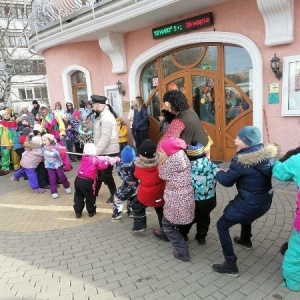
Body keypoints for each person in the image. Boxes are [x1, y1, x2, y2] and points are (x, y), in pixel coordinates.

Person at [212, 126, 278, 277]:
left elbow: (226, 181)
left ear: (247, 142)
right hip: (264, 202)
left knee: (222, 225)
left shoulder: (242, 161)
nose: (235, 140)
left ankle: (230, 264)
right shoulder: (266, 156)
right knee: (243, 211)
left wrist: (218, 171)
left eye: (238, 138)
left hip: (250, 203)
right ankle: (245, 240)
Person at [153, 137, 195, 261]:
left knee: (167, 224)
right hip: (186, 197)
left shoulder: (171, 161)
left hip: (176, 200)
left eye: (163, 151)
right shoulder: (182, 155)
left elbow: (161, 174)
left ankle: (182, 251)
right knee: (176, 221)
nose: (161, 153)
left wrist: (161, 161)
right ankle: (165, 233)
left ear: (169, 151)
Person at [179, 141, 219, 244]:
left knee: (189, 218)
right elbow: (219, 174)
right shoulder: (211, 164)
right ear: (203, 154)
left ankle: (183, 235)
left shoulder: (187, 167)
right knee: (204, 217)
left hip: (195, 201)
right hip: (210, 199)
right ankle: (201, 237)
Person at [272, 146, 300, 291]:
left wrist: (272, 159)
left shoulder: (297, 160)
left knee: (294, 255)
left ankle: (293, 284)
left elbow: (279, 173)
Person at [85, 95, 119, 203]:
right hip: (103, 150)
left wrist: (96, 152)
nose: (92, 107)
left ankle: (114, 194)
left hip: (109, 151)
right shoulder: (100, 116)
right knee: (99, 173)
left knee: (106, 175)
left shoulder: (107, 117)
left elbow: (105, 137)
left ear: (98, 105)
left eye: (93, 105)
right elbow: (97, 131)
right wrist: (88, 123)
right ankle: (95, 192)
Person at [73, 143, 120, 219]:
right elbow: (102, 166)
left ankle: (78, 212)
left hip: (78, 179)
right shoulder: (95, 160)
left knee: (78, 196)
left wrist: (105, 157)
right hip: (88, 182)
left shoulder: (84, 157)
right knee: (90, 197)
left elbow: (98, 158)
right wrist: (110, 161)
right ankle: (91, 211)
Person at [158, 90, 210, 155]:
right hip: (203, 146)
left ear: (168, 105)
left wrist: (158, 153)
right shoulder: (190, 111)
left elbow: (168, 139)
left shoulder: (178, 121)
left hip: (195, 153)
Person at [131, 139, 165, 233]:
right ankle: (165, 229)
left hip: (146, 195)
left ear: (142, 154)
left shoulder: (139, 166)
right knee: (161, 209)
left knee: (136, 205)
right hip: (160, 193)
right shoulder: (162, 162)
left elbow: (136, 175)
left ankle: (139, 226)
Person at [111, 145, 138, 221]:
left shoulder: (121, 166)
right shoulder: (137, 164)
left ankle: (117, 213)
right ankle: (131, 211)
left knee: (118, 196)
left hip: (127, 186)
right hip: (137, 186)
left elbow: (122, 177)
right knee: (133, 197)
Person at [41, 133, 71, 199]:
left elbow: (61, 147)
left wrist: (64, 149)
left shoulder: (55, 145)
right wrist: (59, 152)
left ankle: (67, 186)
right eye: (42, 140)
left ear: (50, 140)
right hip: (50, 166)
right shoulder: (44, 149)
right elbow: (50, 154)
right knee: (52, 178)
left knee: (61, 176)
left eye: (45, 140)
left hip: (58, 164)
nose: (43, 142)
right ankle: (54, 192)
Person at [0, 108, 19, 176]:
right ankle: (5, 168)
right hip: (5, 142)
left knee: (15, 155)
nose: (7, 115)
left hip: (14, 142)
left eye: (8, 114)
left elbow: (17, 132)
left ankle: (16, 166)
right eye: (5, 114)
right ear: (2, 116)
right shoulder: (1, 123)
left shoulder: (14, 122)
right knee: (5, 155)